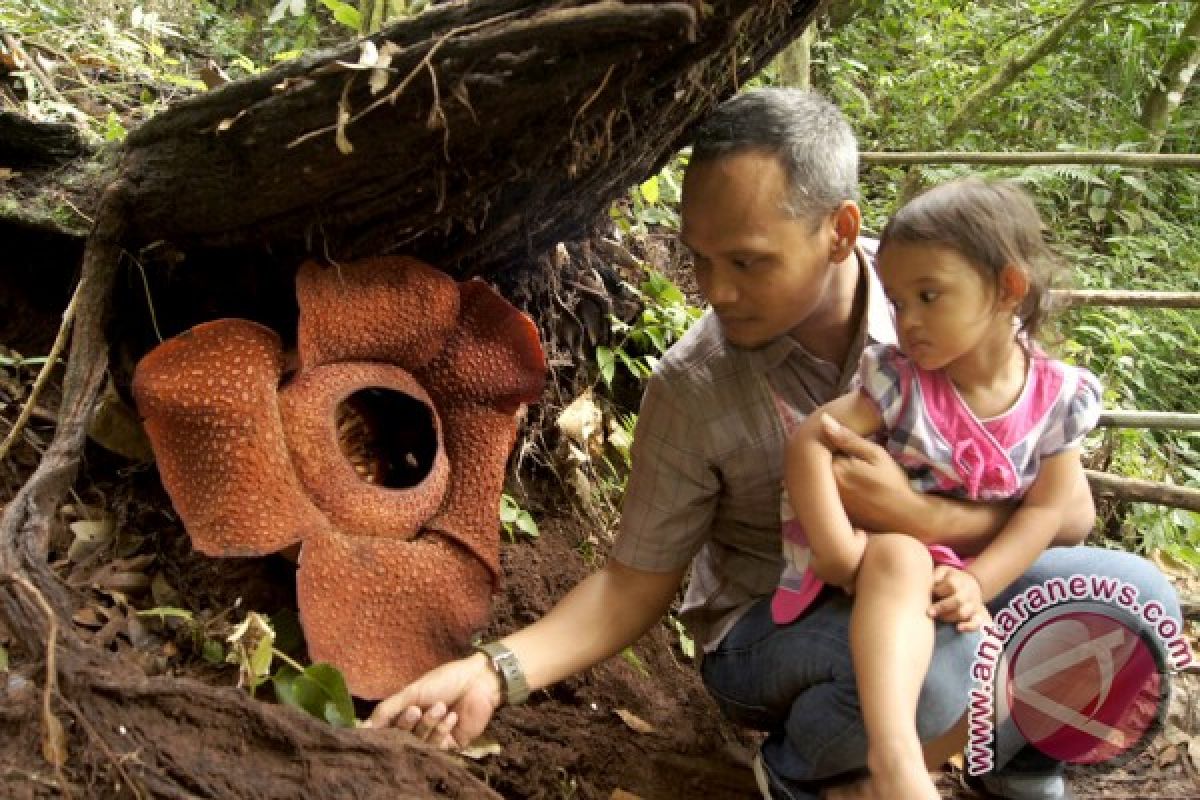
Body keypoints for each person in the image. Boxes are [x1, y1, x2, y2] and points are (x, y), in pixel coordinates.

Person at [366, 89, 1181, 800]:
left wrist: (921, 520)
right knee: (940, 681)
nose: (716, 290)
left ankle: (1004, 754)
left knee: (1132, 597)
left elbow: (1067, 508)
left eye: (748, 262)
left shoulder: (932, 294)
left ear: (839, 231)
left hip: (939, 582)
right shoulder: (694, 385)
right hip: (773, 629)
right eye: (699, 258)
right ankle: (800, 770)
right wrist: (493, 671)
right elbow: (631, 586)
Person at [773, 178, 1102, 800]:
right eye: (897, 302)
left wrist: (981, 582)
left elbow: (1051, 510)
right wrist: (839, 548)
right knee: (900, 553)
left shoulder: (1056, 397)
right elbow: (811, 441)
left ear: (1008, 289)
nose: (909, 321)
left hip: (974, 572)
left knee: (1101, 609)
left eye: (929, 296)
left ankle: (1012, 757)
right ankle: (895, 762)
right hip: (887, 568)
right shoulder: (904, 383)